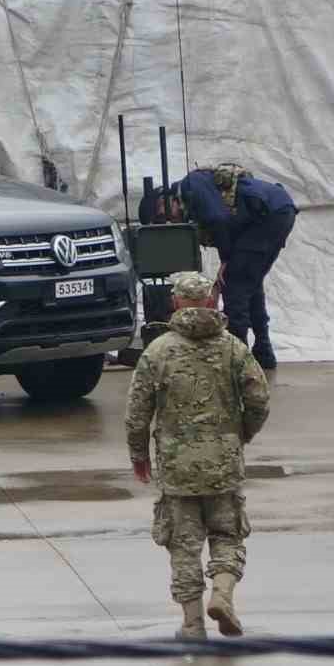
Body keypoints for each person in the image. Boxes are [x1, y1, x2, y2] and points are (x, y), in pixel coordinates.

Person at [125, 271, 271, 639]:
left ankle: (192, 623)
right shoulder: (234, 348)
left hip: (177, 470)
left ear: (174, 302)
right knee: (226, 535)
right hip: (223, 462)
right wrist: (242, 434)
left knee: (183, 545)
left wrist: (139, 454)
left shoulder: (157, 351)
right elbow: (258, 400)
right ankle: (222, 594)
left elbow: (137, 412)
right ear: (211, 301)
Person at [177, 163, 297, 369]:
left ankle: (237, 358)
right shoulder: (207, 184)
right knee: (250, 282)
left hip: (267, 214)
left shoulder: (191, 183)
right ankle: (263, 350)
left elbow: (218, 218)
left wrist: (225, 259)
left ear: (162, 200)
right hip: (279, 209)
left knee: (234, 285)